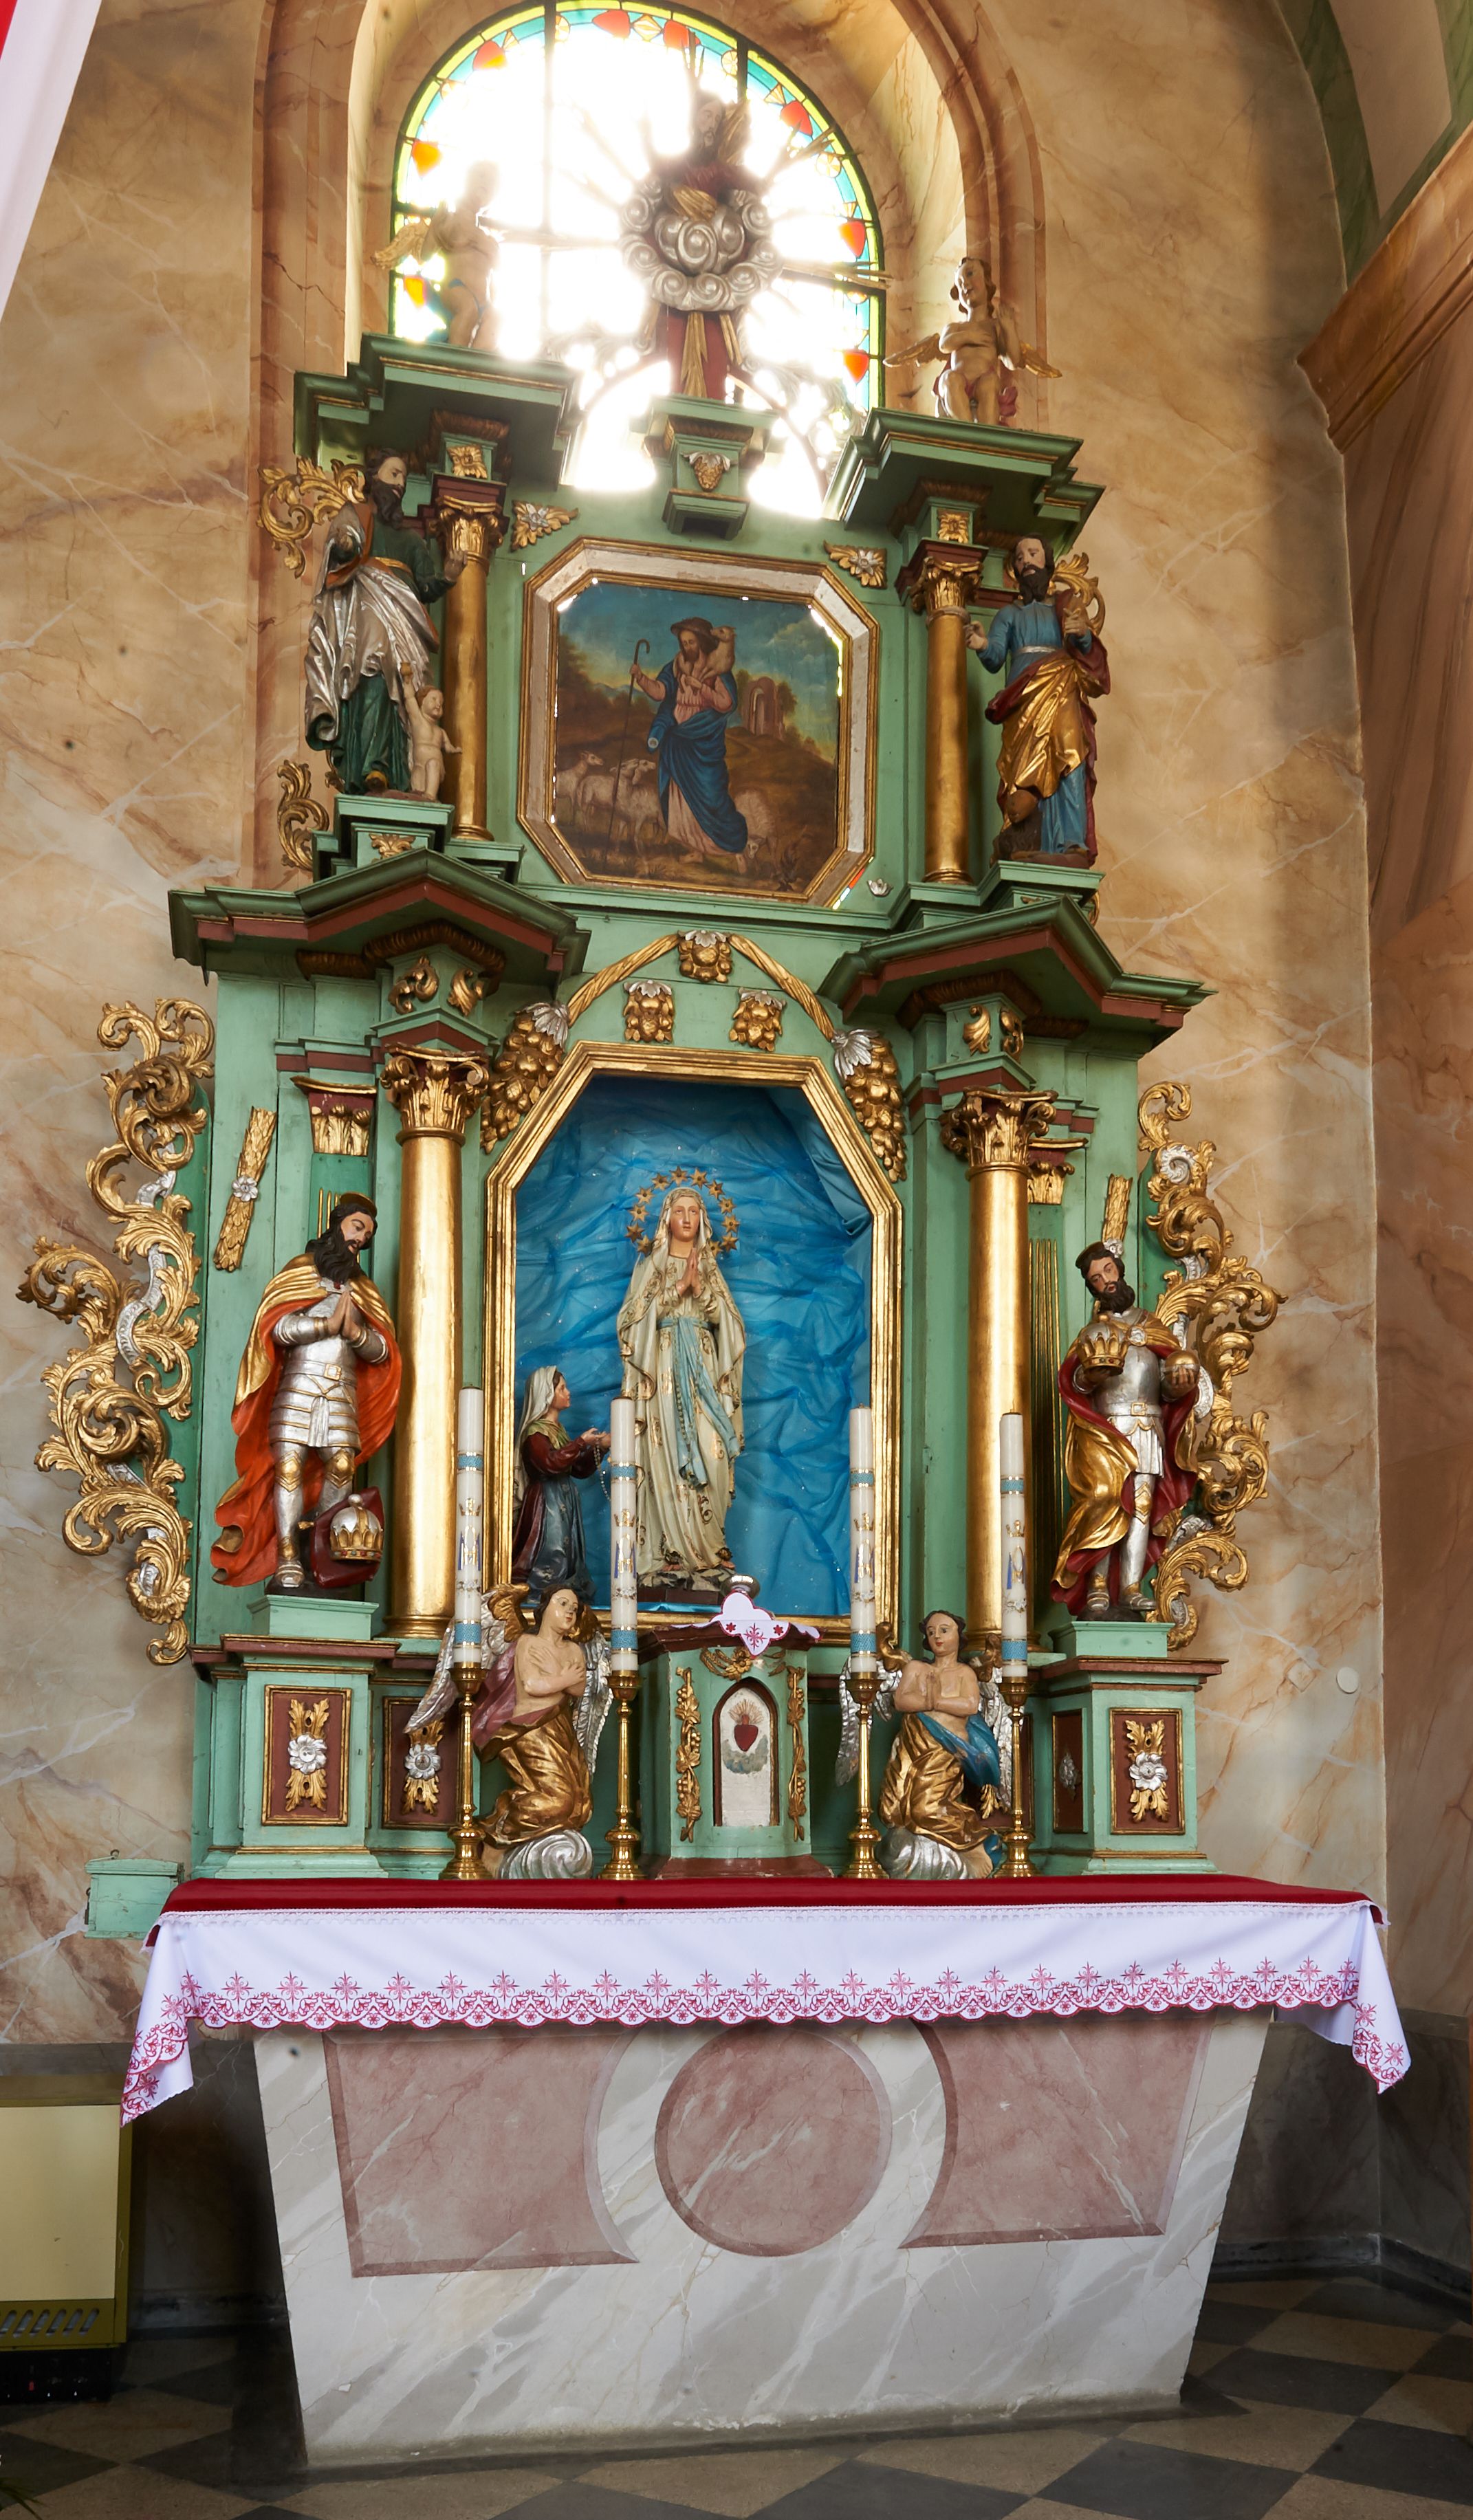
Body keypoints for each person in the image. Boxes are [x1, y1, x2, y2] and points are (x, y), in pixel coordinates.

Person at [212, 1195, 400, 1593]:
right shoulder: (300, 1271)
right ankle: (287, 1557)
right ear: (338, 1223)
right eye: (357, 1227)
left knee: (343, 1466)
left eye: (367, 1235)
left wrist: (355, 1333)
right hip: (298, 1386)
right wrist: (325, 1326)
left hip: (341, 1392)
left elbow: (383, 1350)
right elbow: (275, 1328)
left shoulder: (363, 1289)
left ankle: (321, 1554)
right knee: (289, 1468)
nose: (360, 1239)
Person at [1052, 1242, 1201, 1619]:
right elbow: (1074, 1383)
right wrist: (1090, 1376)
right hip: (1106, 1430)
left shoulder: (1153, 1327)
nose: (1106, 1281)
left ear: (1119, 1268)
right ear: (1092, 1287)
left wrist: (1179, 1385)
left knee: (1142, 1507)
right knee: (1105, 1501)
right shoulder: (1092, 1333)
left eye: (1108, 1270)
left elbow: (1167, 1385)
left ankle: (1130, 1587)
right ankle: (1098, 1587)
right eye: (1096, 1279)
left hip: (1147, 1426)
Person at [305, 448, 465, 794]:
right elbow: (342, 552)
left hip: (406, 621)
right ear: (373, 479)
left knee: (407, 696)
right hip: (368, 610)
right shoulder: (357, 518)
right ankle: (372, 767)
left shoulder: (412, 540)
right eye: (394, 474)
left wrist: (449, 577)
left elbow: (426, 587)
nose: (400, 484)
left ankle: (401, 776)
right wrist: (344, 545)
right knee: (373, 675)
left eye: (404, 478)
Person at [617, 1185, 745, 1591]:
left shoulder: (709, 1267)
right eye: (679, 1211)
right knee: (667, 1454)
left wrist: (701, 1290)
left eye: (694, 1211)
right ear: (666, 1219)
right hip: (666, 1372)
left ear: (702, 1219)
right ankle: (670, 1551)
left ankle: (709, 1552)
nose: (687, 1219)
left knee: (713, 1450)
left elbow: (732, 1326)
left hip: (703, 1368)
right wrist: (677, 1289)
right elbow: (631, 1323)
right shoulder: (651, 1266)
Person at [966, 532, 1111, 862]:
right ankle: (1027, 840)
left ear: (1047, 562)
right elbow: (995, 657)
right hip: (1022, 699)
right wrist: (983, 645)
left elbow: (1085, 649)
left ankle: (1072, 841)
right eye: (1020, 558)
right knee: (1021, 768)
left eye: (1033, 554)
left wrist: (1083, 635)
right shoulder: (1009, 615)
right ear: (1015, 570)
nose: (1026, 562)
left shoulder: (1064, 606)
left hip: (1063, 690)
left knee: (1071, 756)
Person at [877, 1610, 1005, 1876]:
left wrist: (934, 1702)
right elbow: (901, 1701)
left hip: (946, 1750)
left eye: (945, 1630)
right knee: (894, 1808)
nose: (937, 1636)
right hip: (913, 1745)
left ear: (959, 1636)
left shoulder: (964, 1673)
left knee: (926, 1808)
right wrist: (934, 1703)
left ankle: (974, 1843)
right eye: (931, 1631)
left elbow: (969, 1705)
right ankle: (925, 1852)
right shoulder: (917, 1669)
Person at [884, 253, 1058, 427]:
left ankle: (987, 434)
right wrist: (968, 336)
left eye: (970, 274)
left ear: (987, 282)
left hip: (984, 381)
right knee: (950, 378)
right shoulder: (955, 328)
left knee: (991, 382)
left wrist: (1009, 328)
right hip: (958, 381)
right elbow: (944, 345)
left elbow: (1013, 360)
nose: (965, 284)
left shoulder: (995, 327)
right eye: (959, 284)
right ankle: (965, 431)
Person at [633, 619, 748, 859]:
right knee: (681, 796)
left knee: (710, 795)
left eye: (691, 642)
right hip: (678, 743)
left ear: (703, 642)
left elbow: (726, 704)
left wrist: (701, 688)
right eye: (684, 643)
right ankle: (696, 849)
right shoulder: (677, 666)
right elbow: (660, 692)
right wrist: (641, 678)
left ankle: (722, 844)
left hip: (703, 742)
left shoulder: (716, 669)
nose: (687, 647)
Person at [375, 161, 499, 351]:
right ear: (466, 180)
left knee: (496, 319)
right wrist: (435, 226)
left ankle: (475, 362)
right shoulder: (448, 222)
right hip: (456, 288)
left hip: (484, 300)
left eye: (492, 182)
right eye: (481, 176)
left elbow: (498, 264)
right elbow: (426, 254)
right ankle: (455, 358)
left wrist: (482, 242)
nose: (486, 183)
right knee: (468, 310)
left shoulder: (487, 237)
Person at [510, 1367, 609, 1603]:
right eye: (562, 1388)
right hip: (546, 1505)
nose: (568, 1392)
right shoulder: (535, 1433)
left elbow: (577, 1469)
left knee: (569, 1554)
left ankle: (565, 1596)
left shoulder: (559, 1431)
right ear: (547, 1393)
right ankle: (541, 1597)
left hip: (565, 1501)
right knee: (551, 1551)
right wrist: (580, 1442)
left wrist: (600, 1447)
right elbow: (549, 1463)